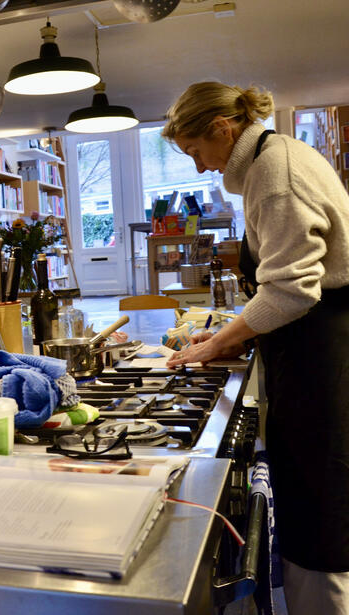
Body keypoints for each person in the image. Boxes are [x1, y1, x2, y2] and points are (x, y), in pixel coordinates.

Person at [162, 82, 349, 614]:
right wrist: (232, 335)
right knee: (310, 495)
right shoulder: (274, 159)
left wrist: (220, 340)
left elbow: (292, 290)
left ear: (223, 129)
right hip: (305, 345)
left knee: (321, 503)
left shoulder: (274, 175)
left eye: (196, 151)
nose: (199, 168)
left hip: (319, 351)